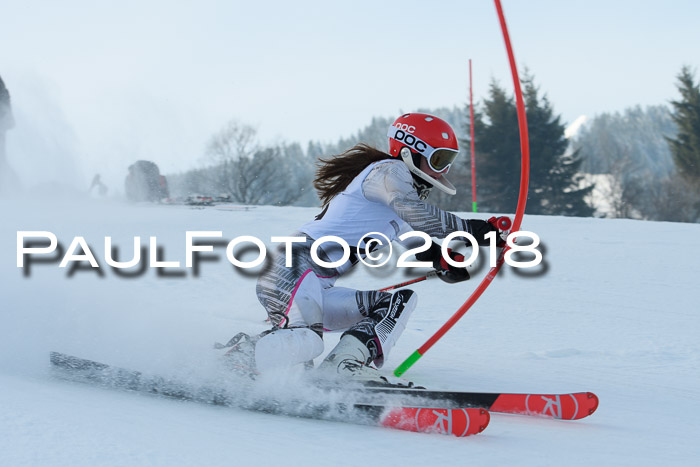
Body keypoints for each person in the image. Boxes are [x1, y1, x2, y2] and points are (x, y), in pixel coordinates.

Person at [222, 113, 504, 382]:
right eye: (439, 158)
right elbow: (414, 213)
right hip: (292, 269)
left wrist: (442, 259)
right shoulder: (389, 172)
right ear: (410, 151)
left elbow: (415, 238)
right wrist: (472, 230)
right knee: (308, 342)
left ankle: (344, 365)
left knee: (397, 302)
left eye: (448, 161)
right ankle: (230, 363)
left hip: (316, 285)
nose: (443, 170)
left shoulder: (397, 193)